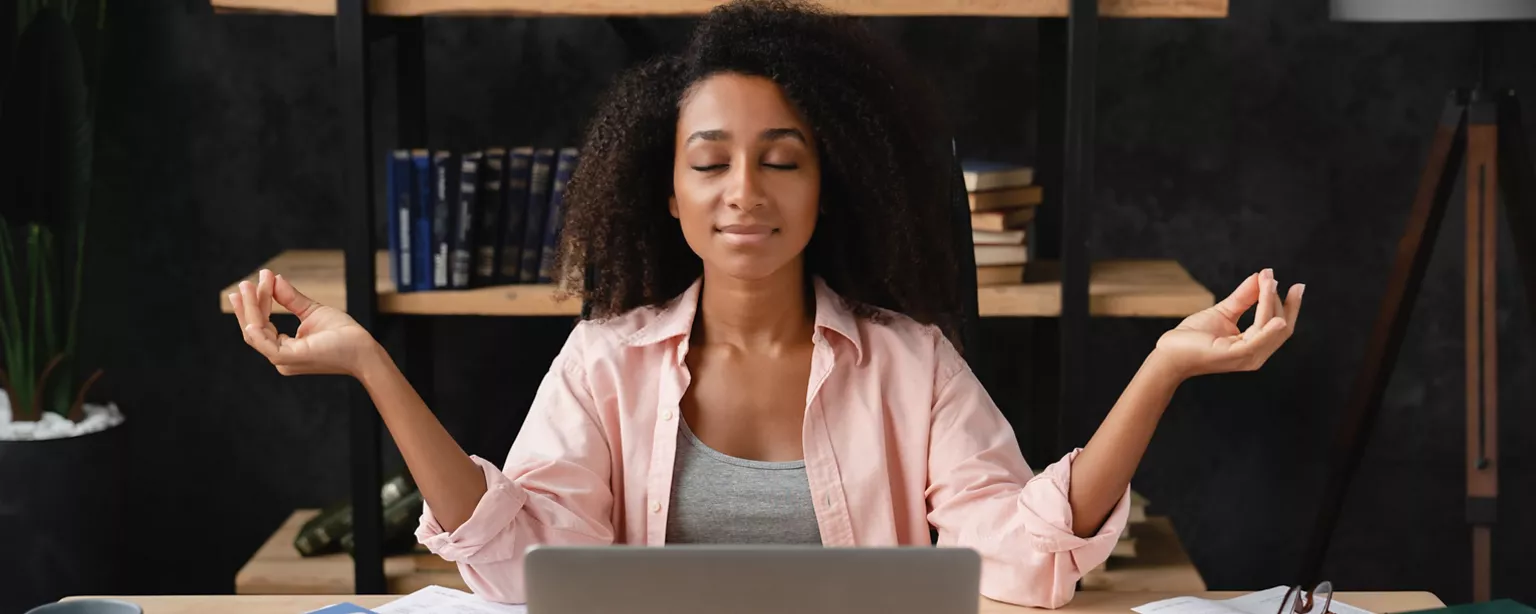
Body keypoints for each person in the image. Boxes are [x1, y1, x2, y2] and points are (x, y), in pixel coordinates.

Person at [229, 0, 1303, 608]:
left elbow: (1023, 561)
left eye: (781, 160)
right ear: (669, 190)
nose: (745, 191)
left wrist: (1160, 368)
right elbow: (515, 562)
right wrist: (371, 361)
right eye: (712, 163)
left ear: (826, 183)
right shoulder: (604, 360)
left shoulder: (910, 361)